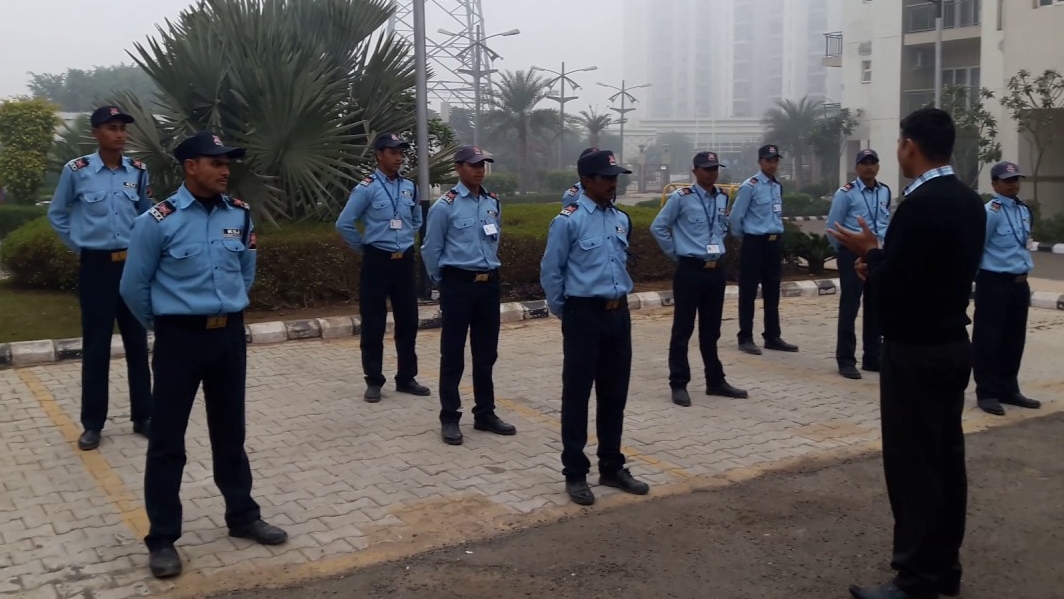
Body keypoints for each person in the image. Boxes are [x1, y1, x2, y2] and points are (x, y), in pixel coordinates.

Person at [829, 108, 985, 599]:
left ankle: (915, 578)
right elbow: (932, 274)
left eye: (899, 143)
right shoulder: (969, 201)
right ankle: (944, 570)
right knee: (945, 460)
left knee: (913, 465)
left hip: (914, 351)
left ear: (909, 145)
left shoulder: (920, 204)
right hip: (952, 345)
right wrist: (881, 263)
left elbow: (902, 286)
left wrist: (872, 256)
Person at [120, 131, 287, 579]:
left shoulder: (240, 215)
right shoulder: (158, 220)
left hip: (227, 337)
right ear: (190, 166)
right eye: (216, 162)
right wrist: (169, 326)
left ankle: (242, 516)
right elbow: (133, 288)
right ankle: (162, 539)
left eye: (227, 162)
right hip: (180, 339)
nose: (225, 169)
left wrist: (225, 309)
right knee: (167, 441)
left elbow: (246, 271)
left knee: (231, 431)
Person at [540, 149, 650, 506]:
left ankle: (611, 466)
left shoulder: (620, 218)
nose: (613, 183)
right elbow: (551, 271)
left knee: (614, 394)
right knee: (577, 396)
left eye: (615, 177)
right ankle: (575, 473)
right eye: (606, 177)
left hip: (618, 316)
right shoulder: (568, 220)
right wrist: (567, 312)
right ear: (587, 180)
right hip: (583, 316)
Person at [47, 105, 153, 451]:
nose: (120, 134)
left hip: (131, 267)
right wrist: (80, 246)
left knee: (138, 344)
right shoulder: (76, 171)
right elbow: (57, 213)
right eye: (112, 128)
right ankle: (93, 423)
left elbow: (145, 217)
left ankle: (144, 416)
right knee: (96, 348)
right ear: (96, 133)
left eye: (123, 128)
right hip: (96, 268)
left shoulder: (138, 171)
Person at [421, 145, 516, 446]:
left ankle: (485, 413)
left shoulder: (492, 203)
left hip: (488, 285)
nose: (479, 170)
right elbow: (430, 250)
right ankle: (450, 417)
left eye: (483, 164)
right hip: (458, 286)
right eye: (473, 164)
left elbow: (494, 240)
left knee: (486, 353)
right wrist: (445, 282)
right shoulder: (445, 206)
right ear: (458, 168)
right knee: (452, 355)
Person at [335, 133, 430, 402]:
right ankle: (374, 380)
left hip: (404, 261)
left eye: (401, 152)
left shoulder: (410, 187)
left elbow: (415, 218)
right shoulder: (366, 188)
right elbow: (344, 223)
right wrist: (365, 247)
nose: (399, 157)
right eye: (393, 152)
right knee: (374, 323)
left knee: (408, 321)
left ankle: (406, 377)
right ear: (379, 155)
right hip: (377, 261)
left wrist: (406, 238)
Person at [650, 151, 748, 406]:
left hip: (715, 271)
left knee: (711, 330)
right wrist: (677, 255)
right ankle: (679, 383)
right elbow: (658, 226)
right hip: (690, 270)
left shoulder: (722, 197)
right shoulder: (681, 198)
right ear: (695, 171)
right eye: (706, 169)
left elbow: (720, 229)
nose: (712, 173)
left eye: (715, 168)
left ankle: (715, 381)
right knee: (683, 330)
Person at [972, 161, 1041, 416]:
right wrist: (980, 280)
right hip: (994, 282)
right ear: (994, 184)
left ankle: (1008, 389)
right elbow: (977, 247)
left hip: (1019, 283)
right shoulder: (991, 211)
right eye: (1008, 180)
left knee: (1014, 339)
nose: (1014, 184)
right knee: (988, 340)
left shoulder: (1023, 210)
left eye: (1016, 180)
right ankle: (987, 392)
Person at [826, 149, 892, 379]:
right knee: (850, 307)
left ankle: (872, 358)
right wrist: (845, 251)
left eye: (873, 163)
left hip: (875, 254)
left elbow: (885, 223)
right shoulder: (846, 193)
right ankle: (845, 359)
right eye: (864, 163)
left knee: (875, 306)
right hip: (852, 254)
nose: (869, 167)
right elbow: (832, 228)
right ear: (857, 167)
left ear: (878, 166)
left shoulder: (884, 191)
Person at [727, 144, 798, 355]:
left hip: (773, 243)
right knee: (748, 291)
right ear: (760, 161)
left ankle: (772, 336)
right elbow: (735, 218)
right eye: (768, 160)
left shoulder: (777, 186)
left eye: (775, 160)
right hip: (754, 242)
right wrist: (747, 237)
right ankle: (745, 336)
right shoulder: (751, 185)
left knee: (772, 290)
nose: (773, 164)